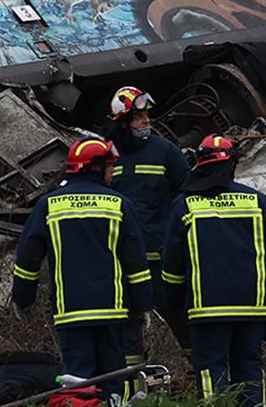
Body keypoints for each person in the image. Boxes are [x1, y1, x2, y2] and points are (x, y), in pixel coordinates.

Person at [12, 138, 152, 399]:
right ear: (96, 167)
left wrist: (23, 298)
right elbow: (136, 264)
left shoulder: (49, 205)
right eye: (110, 167)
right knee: (113, 378)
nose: (113, 172)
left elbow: (28, 260)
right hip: (112, 311)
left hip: (71, 312)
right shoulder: (119, 204)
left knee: (78, 383)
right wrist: (143, 304)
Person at [160, 134, 266, 406]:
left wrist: (172, 302)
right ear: (232, 165)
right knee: (250, 370)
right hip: (252, 308)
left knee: (210, 370)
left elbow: (172, 265)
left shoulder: (185, 205)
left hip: (207, 309)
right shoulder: (257, 202)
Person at [104, 86, 192, 368]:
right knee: (128, 322)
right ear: (122, 122)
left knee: (178, 313)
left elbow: (188, 195)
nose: (146, 122)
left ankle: (204, 371)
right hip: (121, 260)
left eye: (147, 116)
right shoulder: (107, 155)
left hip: (158, 257)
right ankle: (133, 383)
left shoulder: (165, 151)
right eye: (139, 117)